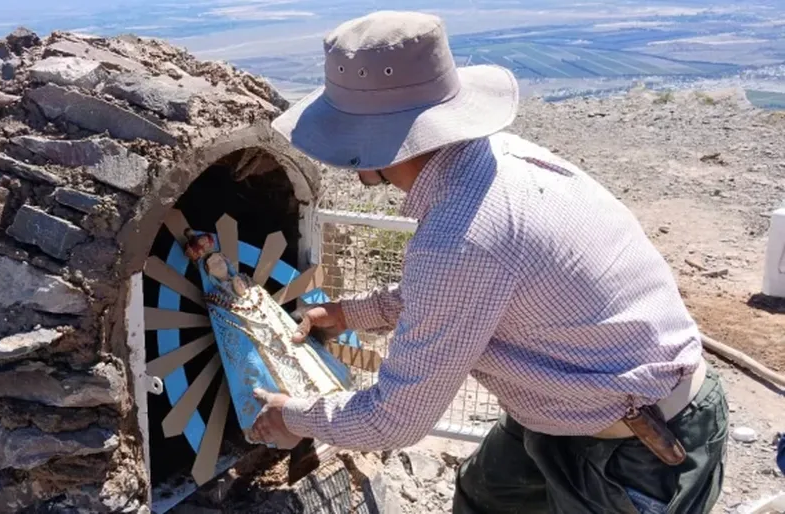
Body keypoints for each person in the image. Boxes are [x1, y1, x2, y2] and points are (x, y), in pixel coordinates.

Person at [249, 10, 729, 514]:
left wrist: (293, 416)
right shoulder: (493, 158)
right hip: (574, 408)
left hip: (637, 445)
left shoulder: (462, 236)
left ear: (371, 144)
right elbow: (467, 292)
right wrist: (351, 314)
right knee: (483, 497)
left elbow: (395, 420)